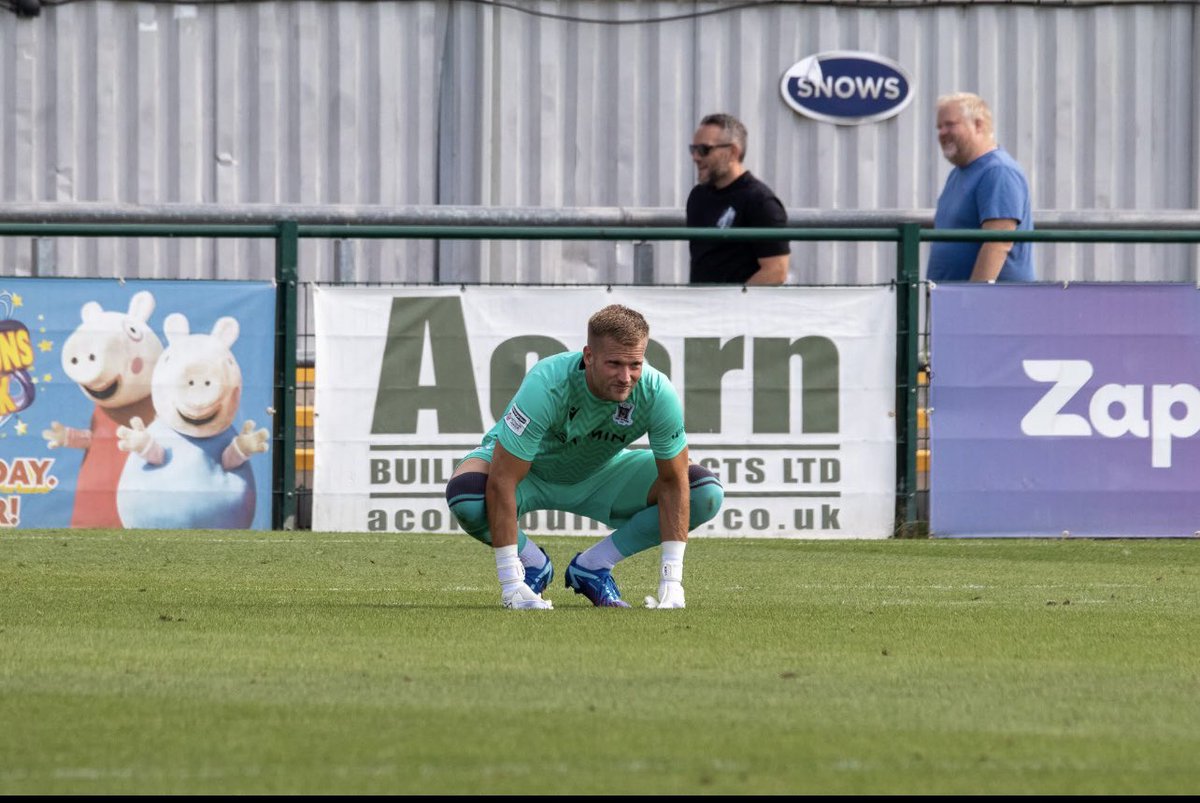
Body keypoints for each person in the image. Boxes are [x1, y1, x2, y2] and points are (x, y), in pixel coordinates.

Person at [444, 304, 725, 610]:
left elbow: (673, 480)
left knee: (704, 493)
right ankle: (533, 564)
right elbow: (503, 478)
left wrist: (672, 584)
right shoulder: (547, 383)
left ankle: (594, 566)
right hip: (530, 473)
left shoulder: (658, 393)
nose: (626, 376)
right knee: (467, 496)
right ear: (588, 356)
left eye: (635, 364)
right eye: (614, 363)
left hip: (600, 474)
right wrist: (512, 582)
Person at [927, 92, 1035, 282]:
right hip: (953, 301)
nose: (942, 133)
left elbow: (998, 243)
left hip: (995, 305)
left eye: (950, 124)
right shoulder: (959, 174)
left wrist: (973, 298)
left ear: (978, 124)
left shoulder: (998, 171)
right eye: (939, 127)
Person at [686, 113, 790, 285]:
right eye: (693, 149)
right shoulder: (698, 196)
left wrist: (732, 303)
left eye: (704, 150)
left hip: (739, 310)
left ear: (733, 152)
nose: (696, 157)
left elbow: (776, 271)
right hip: (701, 308)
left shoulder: (760, 201)